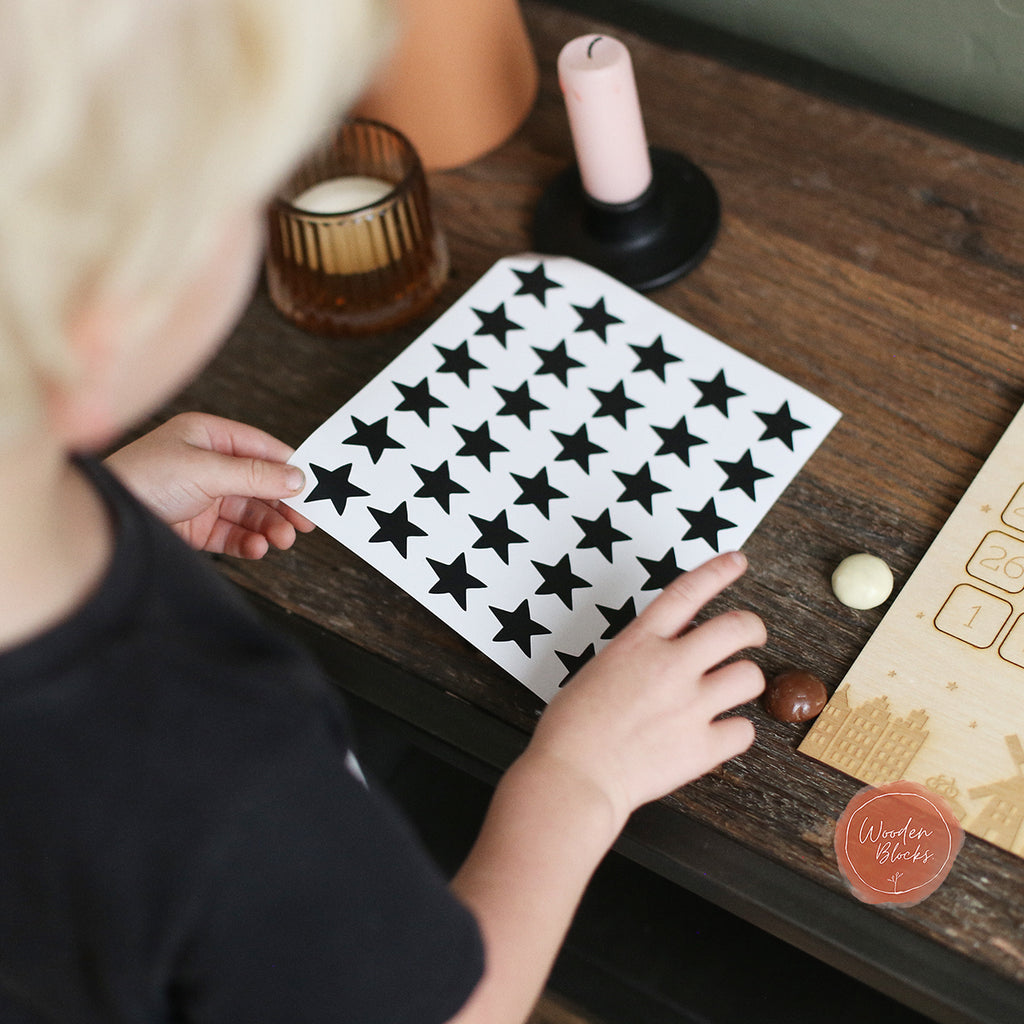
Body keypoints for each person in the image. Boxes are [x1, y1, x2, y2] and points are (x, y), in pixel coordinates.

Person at [0, 1, 767, 1021]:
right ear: (108, 317)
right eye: (246, 192)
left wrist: (105, 499)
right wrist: (577, 781)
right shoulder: (221, 779)